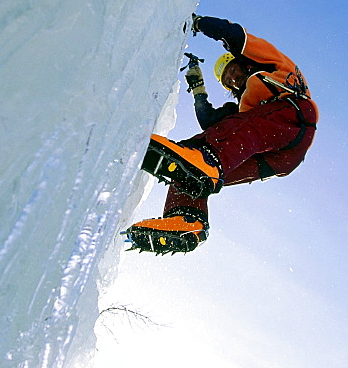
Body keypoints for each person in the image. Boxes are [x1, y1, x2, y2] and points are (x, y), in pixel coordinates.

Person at [123, 15, 318, 254]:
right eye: (228, 82)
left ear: (243, 62)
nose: (234, 80)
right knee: (189, 161)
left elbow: (233, 34)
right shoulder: (246, 108)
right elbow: (211, 123)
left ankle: (208, 163)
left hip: (296, 116)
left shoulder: (270, 63)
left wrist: (198, 23)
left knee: (207, 157)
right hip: (274, 159)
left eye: (233, 71)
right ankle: (187, 220)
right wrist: (198, 88)